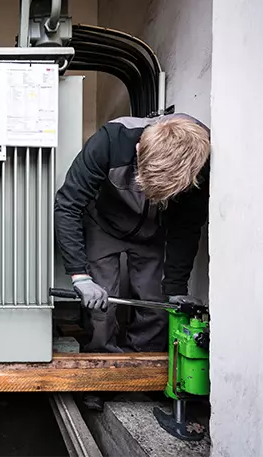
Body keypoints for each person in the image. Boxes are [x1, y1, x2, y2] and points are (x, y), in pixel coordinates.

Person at [54, 114, 209, 356]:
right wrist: (80, 275)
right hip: (103, 224)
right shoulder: (111, 141)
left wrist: (176, 287)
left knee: (157, 303)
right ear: (138, 150)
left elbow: (187, 227)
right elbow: (68, 205)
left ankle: (143, 363)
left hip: (153, 230)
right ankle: (100, 366)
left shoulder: (197, 158)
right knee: (101, 304)